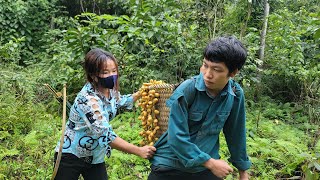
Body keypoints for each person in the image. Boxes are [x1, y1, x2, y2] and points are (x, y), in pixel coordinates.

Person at [148, 36, 251, 180]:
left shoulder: (235, 94)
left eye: (216, 69)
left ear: (233, 73)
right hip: (170, 163)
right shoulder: (187, 89)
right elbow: (176, 136)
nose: (207, 74)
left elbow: (236, 133)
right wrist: (210, 163)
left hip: (204, 167)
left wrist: (243, 171)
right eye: (205, 65)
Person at [53, 48, 156, 180]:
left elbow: (120, 101)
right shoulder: (88, 100)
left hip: (95, 156)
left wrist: (141, 93)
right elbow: (105, 135)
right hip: (71, 155)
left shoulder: (109, 90)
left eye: (114, 71)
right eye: (105, 72)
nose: (112, 75)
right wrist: (138, 151)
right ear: (93, 75)